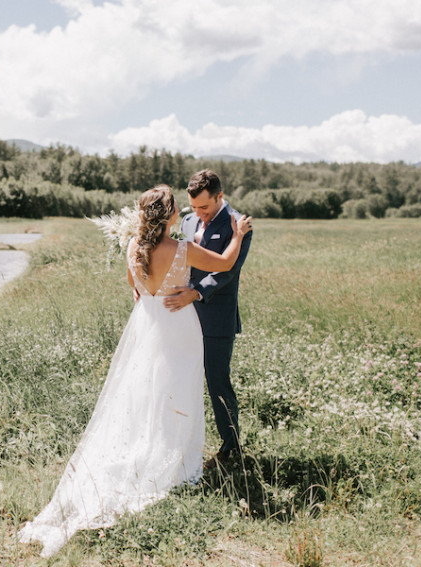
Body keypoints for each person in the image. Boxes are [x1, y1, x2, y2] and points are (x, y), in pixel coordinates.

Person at [18, 185, 252, 557]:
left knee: (147, 390)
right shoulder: (180, 249)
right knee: (178, 391)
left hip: (148, 323)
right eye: (178, 207)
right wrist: (237, 235)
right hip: (179, 327)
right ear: (171, 215)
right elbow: (224, 264)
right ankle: (176, 460)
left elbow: (136, 288)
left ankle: (152, 447)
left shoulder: (133, 248)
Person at [163, 169, 253, 469]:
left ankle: (231, 448)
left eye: (205, 207)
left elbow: (228, 270)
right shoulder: (188, 221)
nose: (198, 214)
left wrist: (196, 293)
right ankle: (184, 442)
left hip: (216, 317)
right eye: (194, 207)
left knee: (217, 381)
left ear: (220, 197)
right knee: (182, 378)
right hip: (182, 315)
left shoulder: (238, 224)